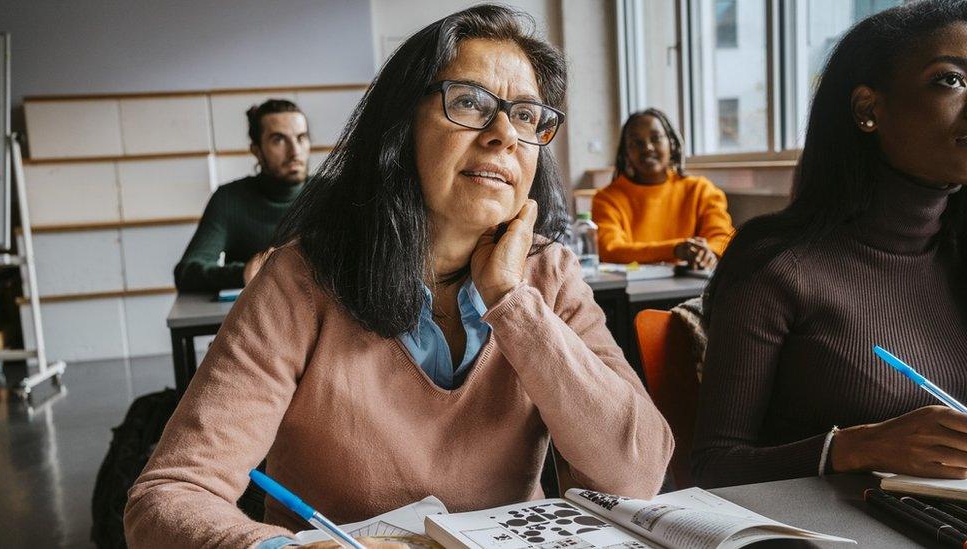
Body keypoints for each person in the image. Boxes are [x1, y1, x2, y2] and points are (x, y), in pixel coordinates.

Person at [125, 5, 673, 548]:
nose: (504, 133)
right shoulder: (299, 279)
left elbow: (637, 471)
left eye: (527, 115)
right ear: (399, 128)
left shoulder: (549, 274)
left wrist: (512, 301)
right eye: (469, 103)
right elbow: (169, 497)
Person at [692, 0, 967, 489]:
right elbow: (713, 468)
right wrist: (856, 447)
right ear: (868, 109)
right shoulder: (776, 265)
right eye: (950, 79)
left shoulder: (956, 253)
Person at [173, 99, 311, 291]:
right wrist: (244, 273)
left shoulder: (330, 193)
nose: (295, 151)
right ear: (257, 151)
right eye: (278, 139)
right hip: (260, 314)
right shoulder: (229, 199)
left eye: (301, 138)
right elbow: (186, 273)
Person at [591, 108, 734, 269]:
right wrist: (676, 250)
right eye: (636, 142)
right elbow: (611, 250)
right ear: (626, 153)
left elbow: (722, 237)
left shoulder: (700, 190)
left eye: (656, 138)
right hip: (633, 290)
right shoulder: (606, 198)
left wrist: (708, 254)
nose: (648, 147)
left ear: (671, 143)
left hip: (696, 285)